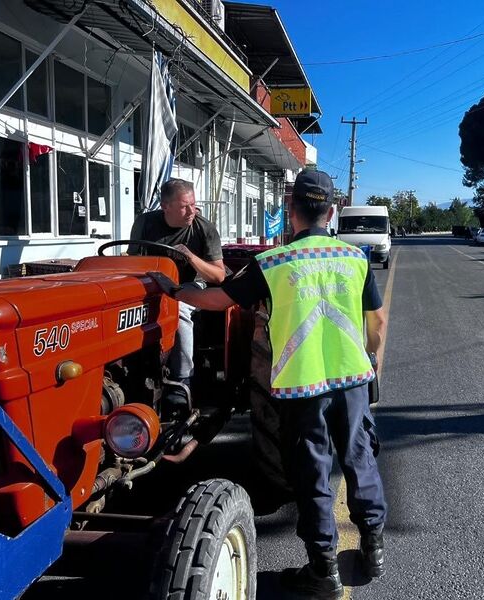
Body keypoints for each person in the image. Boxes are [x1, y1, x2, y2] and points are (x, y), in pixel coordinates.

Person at [151, 169, 388, 599]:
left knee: (313, 474)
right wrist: (369, 361)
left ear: (290, 211)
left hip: (302, 387)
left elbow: (216, 299)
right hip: (352, 379)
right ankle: (372, 548)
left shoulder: (275, 264)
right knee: (359, 457)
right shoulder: (355, 259)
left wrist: (173, 292)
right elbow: (378, 322)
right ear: (331, 212)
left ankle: (324, 572)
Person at [128, 179, 225, 410]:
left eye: (193, 204)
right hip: (152, 286)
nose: (192, 211)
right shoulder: (144, 223)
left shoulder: (204, 229)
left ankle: (182, 380)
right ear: (165, 206)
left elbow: (218, 276)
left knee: (178, 308)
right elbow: (132, 261)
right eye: (184, 206)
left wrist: (191, 257)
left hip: (190, 286)